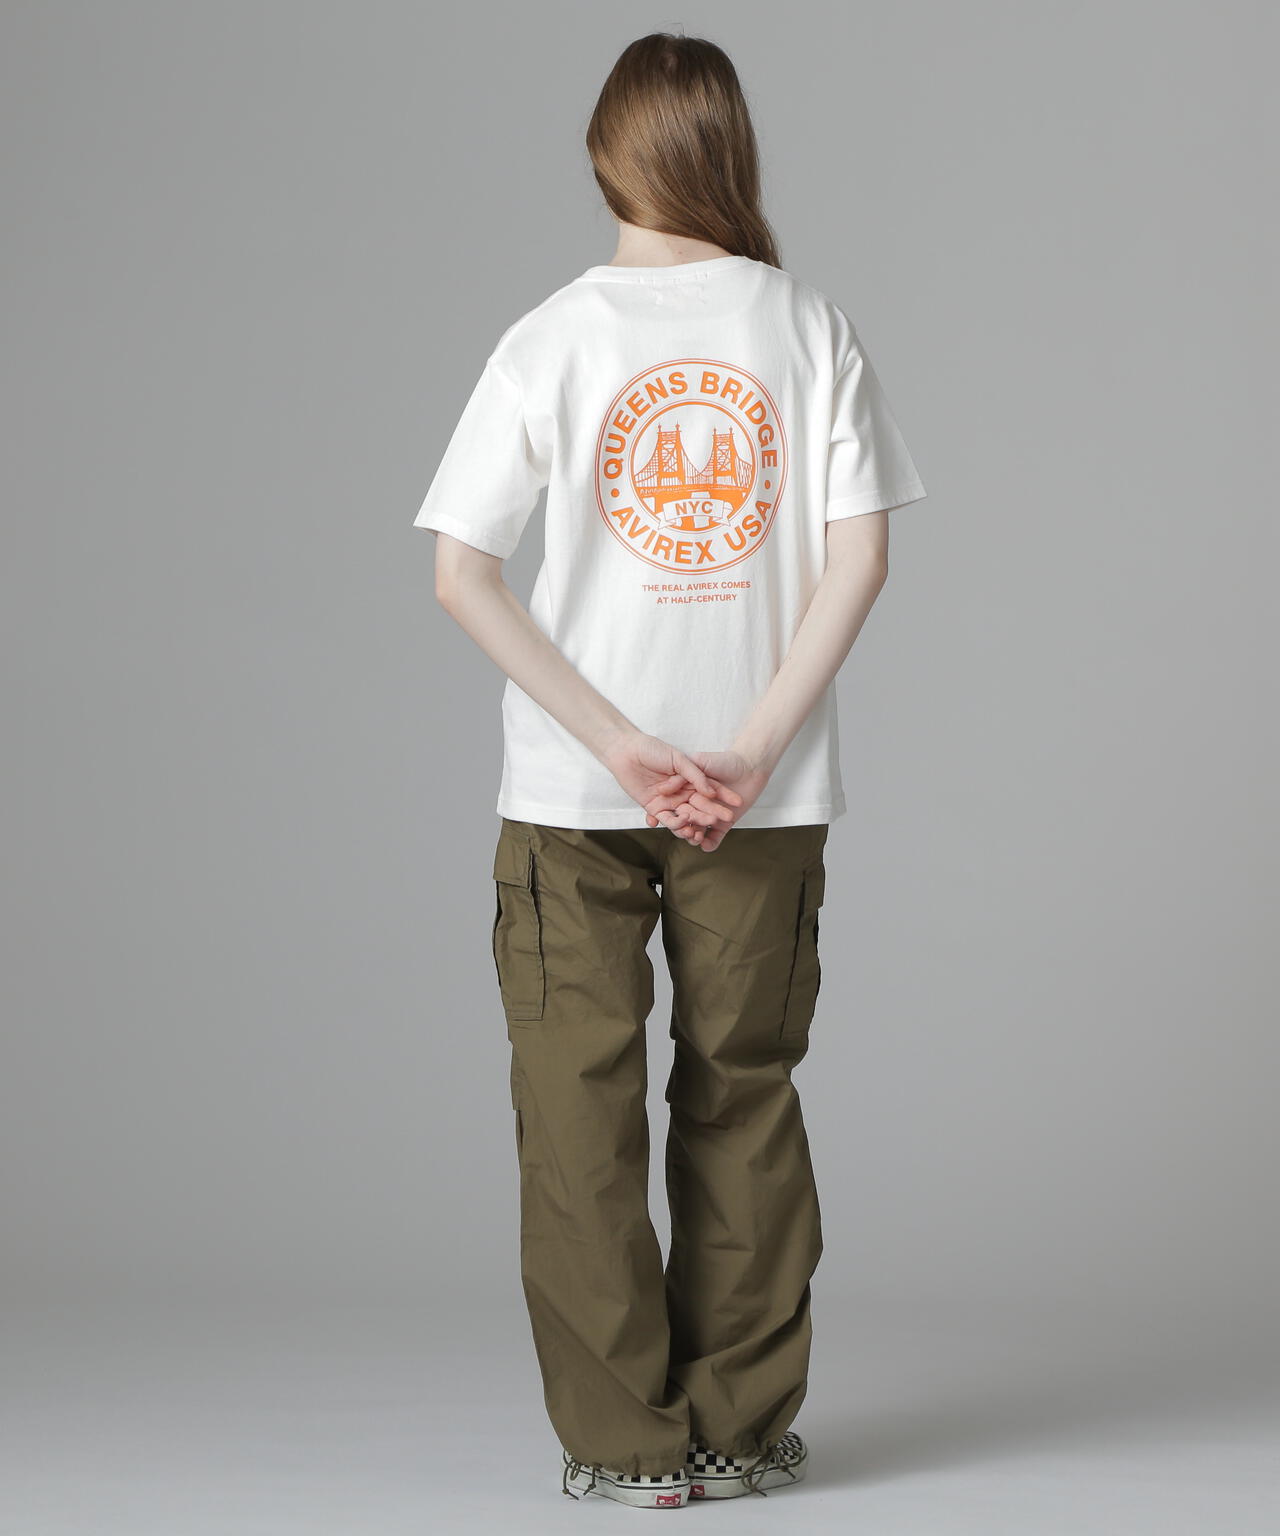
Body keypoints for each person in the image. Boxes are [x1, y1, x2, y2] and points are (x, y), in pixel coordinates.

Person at [413, 32, 928, 1509]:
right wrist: (750, 747)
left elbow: (461, 573)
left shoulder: (549, 337)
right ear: (730, 151)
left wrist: (618, 744)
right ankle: (742, 1434)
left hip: (574, 798)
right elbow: (861, 558)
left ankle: (623, 1449)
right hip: (759, 800)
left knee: (575, 1112)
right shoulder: (808, 326)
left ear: (604, 155)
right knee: (742, 1095)